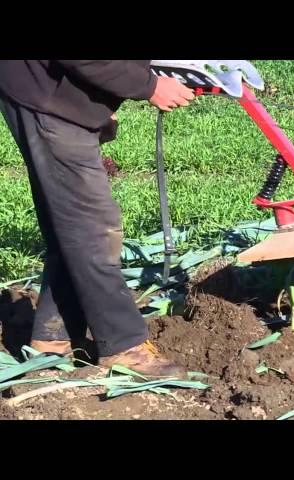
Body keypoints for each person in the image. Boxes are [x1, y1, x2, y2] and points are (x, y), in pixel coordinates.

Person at [0, 61, 195, 377]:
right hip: (48, 96)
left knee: (71, 228)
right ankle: (123, 346)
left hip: (47, 88)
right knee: (93, 228)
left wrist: (102, 95)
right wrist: (149, 86)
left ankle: (52, 339)